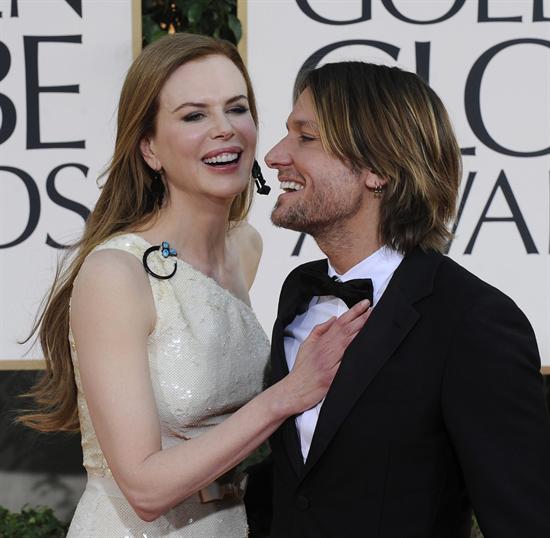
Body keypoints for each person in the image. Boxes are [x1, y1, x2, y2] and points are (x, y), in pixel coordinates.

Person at [19, 35, 371, 537]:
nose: (224, 129)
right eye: (193, 115)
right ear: (149, 148)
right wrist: (289, 394)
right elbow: (144, 490)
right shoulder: (116, 273)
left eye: (237, 108)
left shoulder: (245, 247)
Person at [265, 61, 550, 537]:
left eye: (306, 137)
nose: (275, 155)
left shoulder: (474, 322)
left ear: (377, 169)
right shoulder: (299, 292)